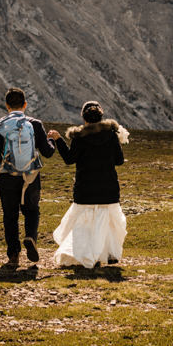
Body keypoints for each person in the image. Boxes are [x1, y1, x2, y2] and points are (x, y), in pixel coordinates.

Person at [0, 88, 56, 266]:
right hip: (30, 177)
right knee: (32, 210)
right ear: (25, 104)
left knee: (10, 215)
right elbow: (48, 153)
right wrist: (52, 141)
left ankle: (13, 255)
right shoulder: (35, 124)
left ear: (6, 105)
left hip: (6, 176)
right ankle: (30, 237)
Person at [47, 101, 129, 268]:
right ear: (101, 116)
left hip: (85, 189)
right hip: (108, 188)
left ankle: (86, 255)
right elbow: (119, 161)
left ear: (83, 117)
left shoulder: (79, 137)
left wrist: (58, 140)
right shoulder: (112, 135)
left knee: (84, 225)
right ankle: (106, 254)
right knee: (106, 223)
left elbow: (69, 159)